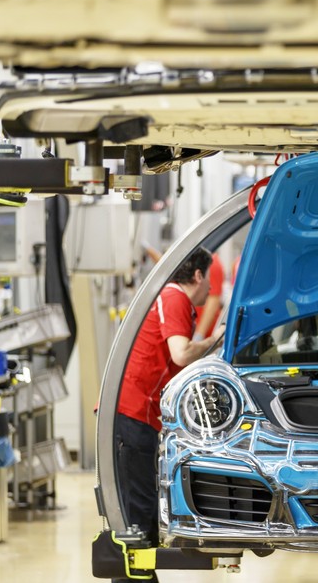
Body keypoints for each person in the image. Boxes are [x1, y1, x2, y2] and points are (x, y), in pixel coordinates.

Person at [113, 248, 225, 582]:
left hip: (137, 413)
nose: (209, 291)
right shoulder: (174, 297)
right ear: (198, 276)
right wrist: (214, 338)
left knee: (141, 509)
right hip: (132, 413)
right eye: (209, 279)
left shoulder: (171, 298)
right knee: (137, 511)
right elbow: (180, 354)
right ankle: (134, 577)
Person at [194, 252, 224, 340]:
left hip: (206, 336)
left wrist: (199, 334)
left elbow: (213, 301)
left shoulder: (212, 263)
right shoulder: (198, 262)